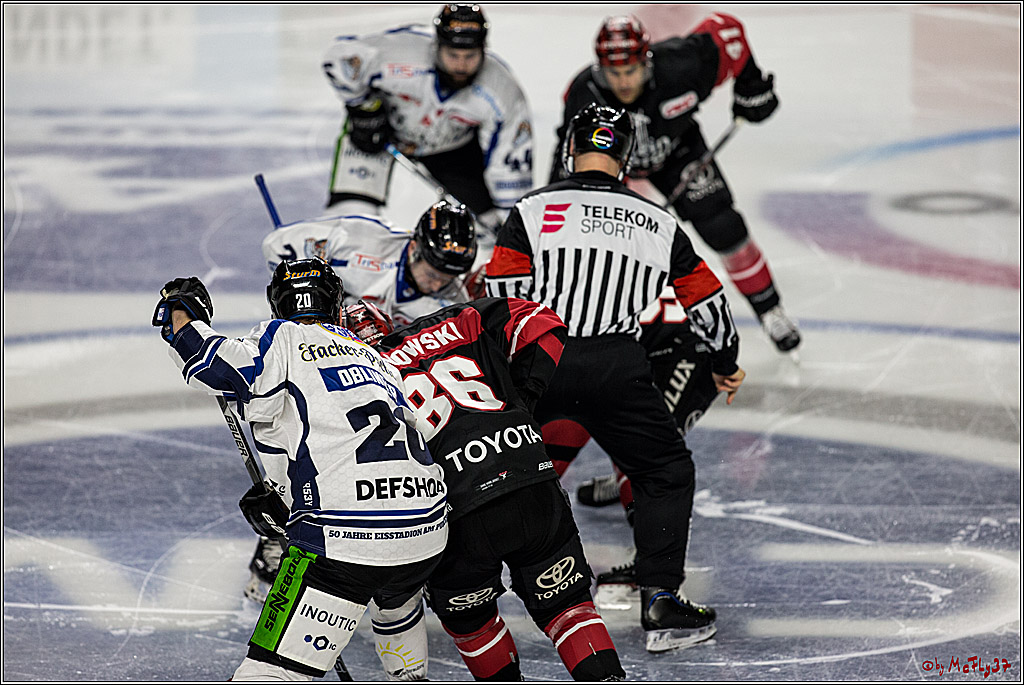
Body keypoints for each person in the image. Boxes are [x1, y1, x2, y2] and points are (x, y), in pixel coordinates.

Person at [484, 103, 746, 653]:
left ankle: (449, 587)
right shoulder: (659, 220)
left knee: (489, 469)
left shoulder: (532, 209)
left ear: (571, 147)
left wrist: (502, 376)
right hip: (618, 367)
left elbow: (500, 293)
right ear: (626, 158)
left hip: (540, 357)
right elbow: (709, 302)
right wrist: (724, 363)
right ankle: (660, 601)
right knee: (664, 469)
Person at [151, 259, 448, 681]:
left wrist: (181, 310)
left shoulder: (283, 338)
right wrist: (287, 499)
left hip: (344, 540)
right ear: (337, 308)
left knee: (267, 674)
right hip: (426, 532)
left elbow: (211, 362)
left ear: (278, 307)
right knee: (395, 596)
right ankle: (410, 674)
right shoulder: (376, 358)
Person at [346, 297, 626, 681]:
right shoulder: (461, 319)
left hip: (456, 512)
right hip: (529, 478)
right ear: (389, 323)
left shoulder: (349, 376)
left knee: (474, 625)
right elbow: (542, 322)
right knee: (570, 610)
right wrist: (524, 397)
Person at [549, 13, 801, 353]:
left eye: (631, 71)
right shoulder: (584, 95)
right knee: (589, 242)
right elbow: (568, 153)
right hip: (613, 167)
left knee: (723, 226)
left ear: (646, 60)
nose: (624, 82)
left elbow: (726, 30)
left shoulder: (682, 65)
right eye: (614, 73)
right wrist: (557, 202)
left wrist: (751, 85)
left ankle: (771, 310)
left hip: (678, 149)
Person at [321, 3, 533, 238]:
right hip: (380, 134)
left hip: (450, 149)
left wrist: (509, 220)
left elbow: (509, 160)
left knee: (487, 228)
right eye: (453, 55)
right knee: (352, 218)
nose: (461, 65)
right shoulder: (400, 53)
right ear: (437, 46)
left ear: (484, 49)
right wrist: (365, 110)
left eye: (470, 56)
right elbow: (337, 58)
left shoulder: (501, 89)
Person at [261, 199, 477, 327]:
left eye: (448, 279)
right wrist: (318, 304)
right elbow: (276, 244)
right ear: (413, 249)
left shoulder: (455, 306)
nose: (438, 286)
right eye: (432, 275)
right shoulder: (360, 239)